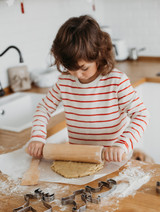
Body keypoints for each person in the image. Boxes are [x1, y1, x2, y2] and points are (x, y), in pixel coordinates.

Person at [27, 15, 149, 162]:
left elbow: (141, 115)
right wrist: (37, 137)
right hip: (80, 158)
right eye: (70, 68)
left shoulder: (116, 81)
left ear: (99, 54)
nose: (77, 75)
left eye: (84, 68)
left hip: (114, 160)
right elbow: (43, 108)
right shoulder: (64, 82)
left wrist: (121, 145)